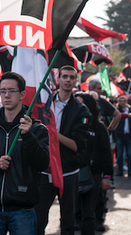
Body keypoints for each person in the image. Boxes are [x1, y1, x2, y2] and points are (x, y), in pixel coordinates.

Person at [0, 72, 49, 235]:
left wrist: (28, 137)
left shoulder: (37, 129)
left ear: (22, 94)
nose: (6, 95)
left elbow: (42, 163)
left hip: (23, 211)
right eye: (2, 91)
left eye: (11, 91)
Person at [35, 65, 92, 235]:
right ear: (57, 79)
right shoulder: (44, 103)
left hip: (68, 172)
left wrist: (52, 133)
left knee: (68, 222)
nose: (68, 80)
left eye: (72, 77)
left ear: (76, 81)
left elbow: (77, 145)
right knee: (38, 220)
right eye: (65, 76)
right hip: (45, 170)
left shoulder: (82, 110)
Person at [74, 92, 112, 235]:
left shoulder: (99, 127)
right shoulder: (71, 125)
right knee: (73, 210)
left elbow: (106, 154)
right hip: (73, 172)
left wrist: (107, 177)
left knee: (90, 211)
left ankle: (96, 223)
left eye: (81, 103)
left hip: (93, 174)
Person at [114, 95, 131, 177]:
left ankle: (130, 170)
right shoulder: (117, 111)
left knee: (129, 154)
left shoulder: (130, 110)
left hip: (128, 135)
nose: (122, 103)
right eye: (121, 101)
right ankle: (120, 170)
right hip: (120, 135)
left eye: (124, 101)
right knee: (120, 154)